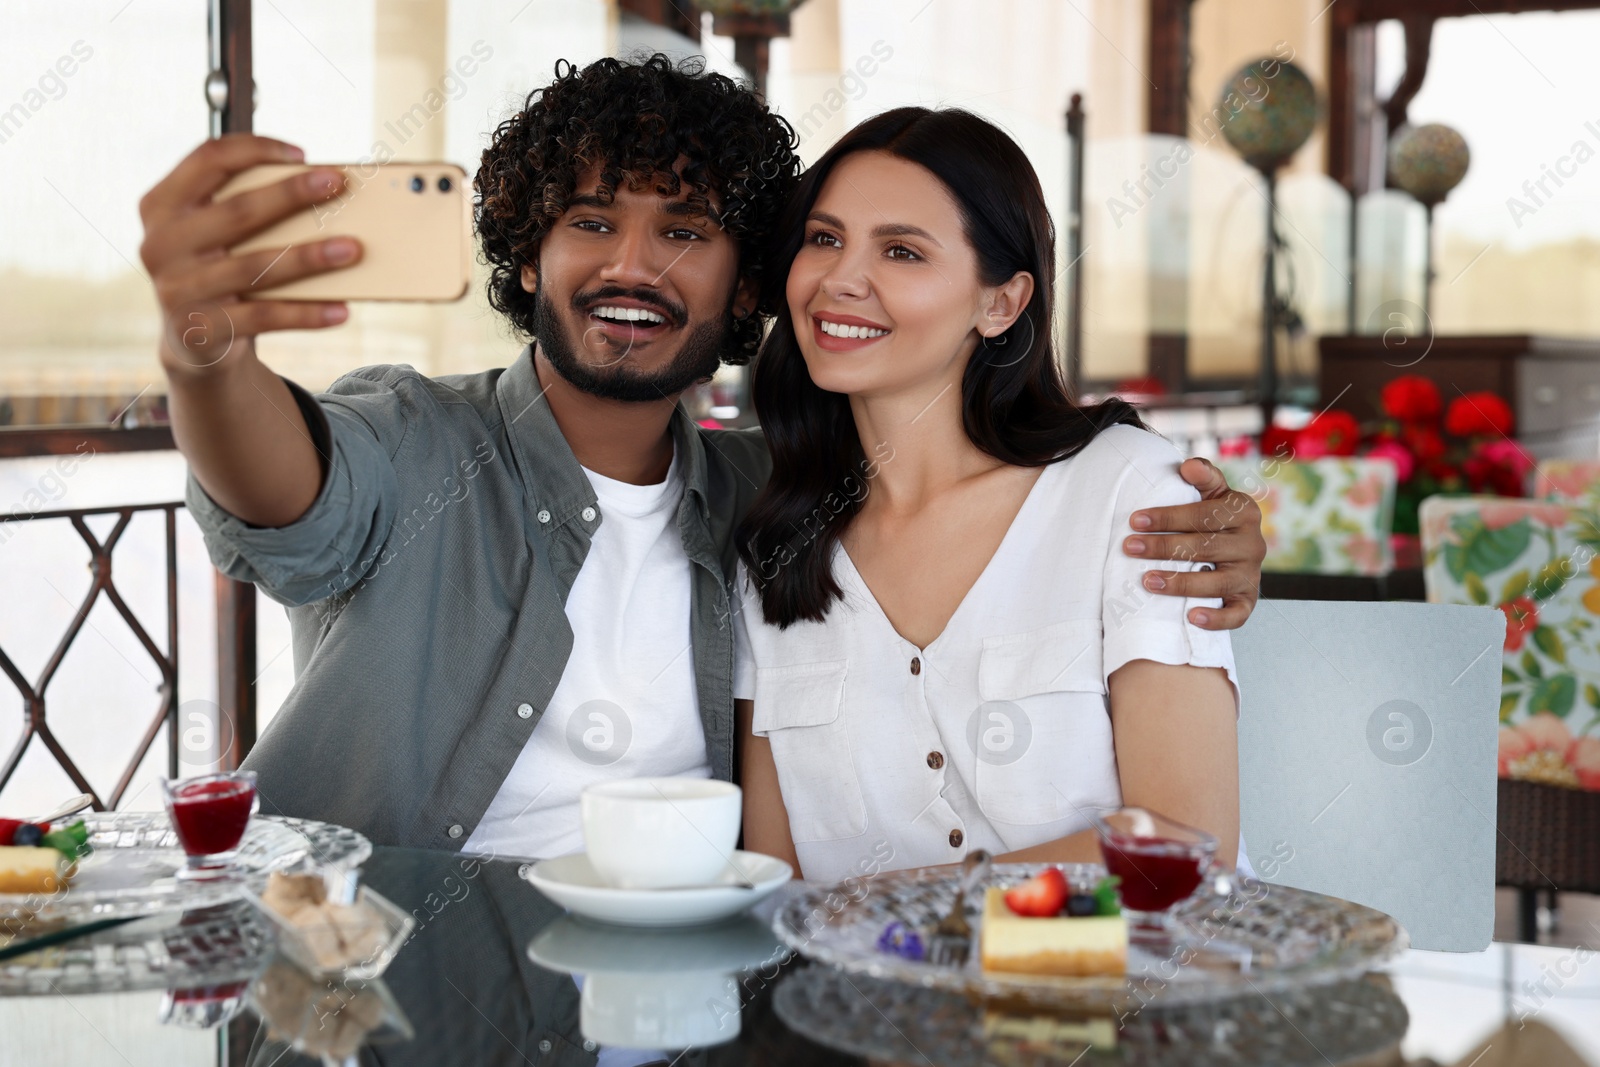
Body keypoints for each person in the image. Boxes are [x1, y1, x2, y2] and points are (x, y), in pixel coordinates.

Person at [138, 54, 1265, 854]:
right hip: (390, 997)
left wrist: (1207, 525)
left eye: (683, 231)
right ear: (526, 258)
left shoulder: (761, 500)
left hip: (703, 1007)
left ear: (742, 286)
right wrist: (203, 357)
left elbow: (1179, 830)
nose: (632, 264)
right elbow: (280, 495)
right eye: (587, 220)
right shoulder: (419, 439)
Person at [736, 107, 1244, 883]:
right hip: (860, 1004)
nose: (841, 279)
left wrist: (905, 915)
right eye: (824, 238)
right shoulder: (777, 544)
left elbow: (1183, 845)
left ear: (1000, 304)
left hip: (1129, 997)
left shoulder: (1126, 495)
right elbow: (773, 889)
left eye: (901, 250)